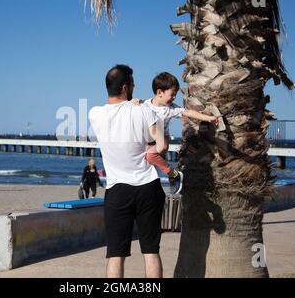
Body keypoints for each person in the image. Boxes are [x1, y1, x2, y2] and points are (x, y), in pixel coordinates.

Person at [89, 64, 166, 278]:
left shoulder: (95, 114)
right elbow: (162, 145)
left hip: (117, 191)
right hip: (148, 187)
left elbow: (117, 110)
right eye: (132, 83)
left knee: (115, 254)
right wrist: (150, 149)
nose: (134, 87)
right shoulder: (143, 110)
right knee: (151, 251)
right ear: (125, 87)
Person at [133, 72, 220, 195]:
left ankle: (173, 174)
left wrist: (208, 118)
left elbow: (189, 113)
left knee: (150, 157)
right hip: (147, 140)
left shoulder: (171, 109)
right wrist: (134, 101)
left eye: (175, 95)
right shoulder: (144, 105)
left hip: (161, 139)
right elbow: (131, 108)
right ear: (159, 93)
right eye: (172, 94)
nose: (174, 98)